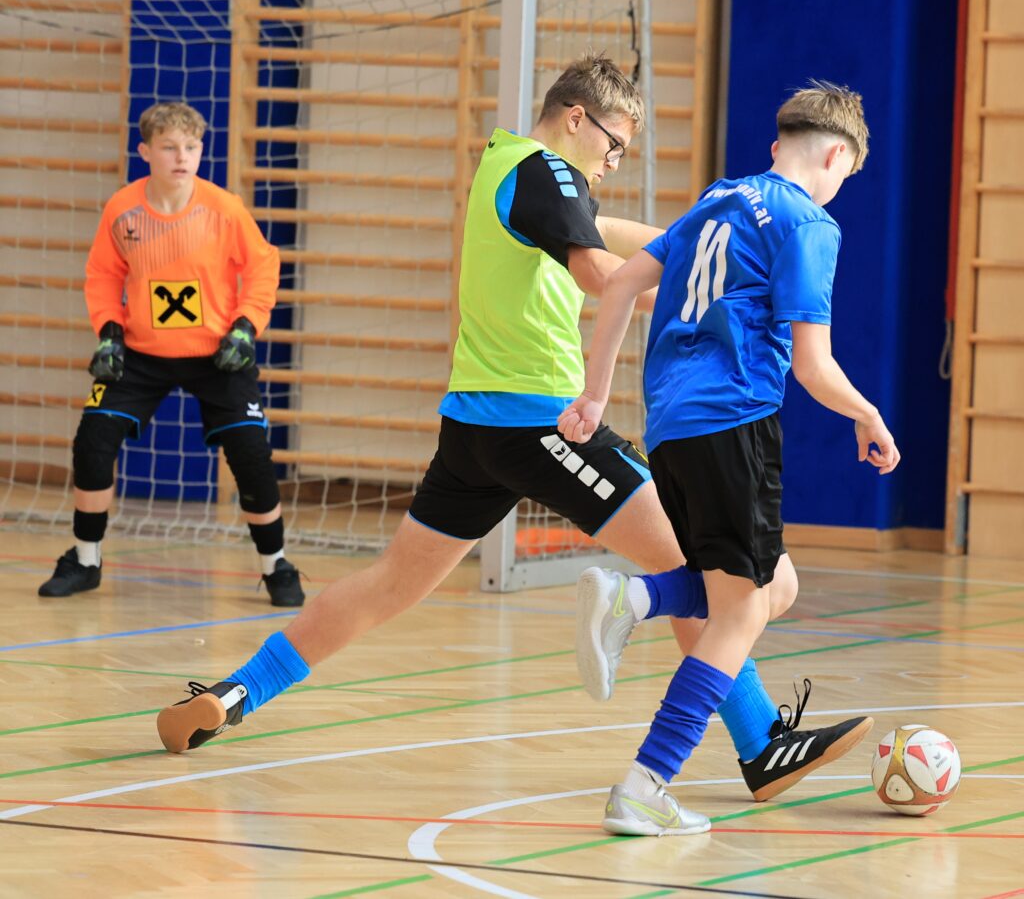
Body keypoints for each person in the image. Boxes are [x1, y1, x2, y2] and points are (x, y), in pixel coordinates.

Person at [154, 57, 864, 808]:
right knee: (697, 567)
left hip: (473, 425)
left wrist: (713, 241)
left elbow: (622, 232)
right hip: (541, 423)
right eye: (614, 144)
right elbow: (603, 275)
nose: (614, 162)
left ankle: (239, 690)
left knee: (389, 584)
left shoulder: (506, 166)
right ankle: (759, 742)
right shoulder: (547, 172)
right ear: (576, 118)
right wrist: (715, 283)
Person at [557, 80, 896, 836]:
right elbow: (812, 365)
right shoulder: (809, 223)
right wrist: (867, 413)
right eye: (846, 175)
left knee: (774, 584)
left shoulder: (717, 199)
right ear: (835, 157)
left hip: (671, 426)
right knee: (741, 610)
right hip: (735, 420)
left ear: (778, 146)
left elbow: (620, 286)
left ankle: (636, 599)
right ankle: (646, 782)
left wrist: (595, 395)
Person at [37, 101, 304, 608]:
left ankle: (277, 566)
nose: (182, 157)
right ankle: (86, 560)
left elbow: (264, 267)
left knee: (250, 454)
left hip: (218, 353)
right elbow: (103, 275)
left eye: (191, 147)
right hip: (141, 352)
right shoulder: (123, 209)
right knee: (93, 441)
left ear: (201, 151)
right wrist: (109, 331)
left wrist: (246, 327)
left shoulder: (224, 209)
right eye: (169, 147)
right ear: (145, 152)